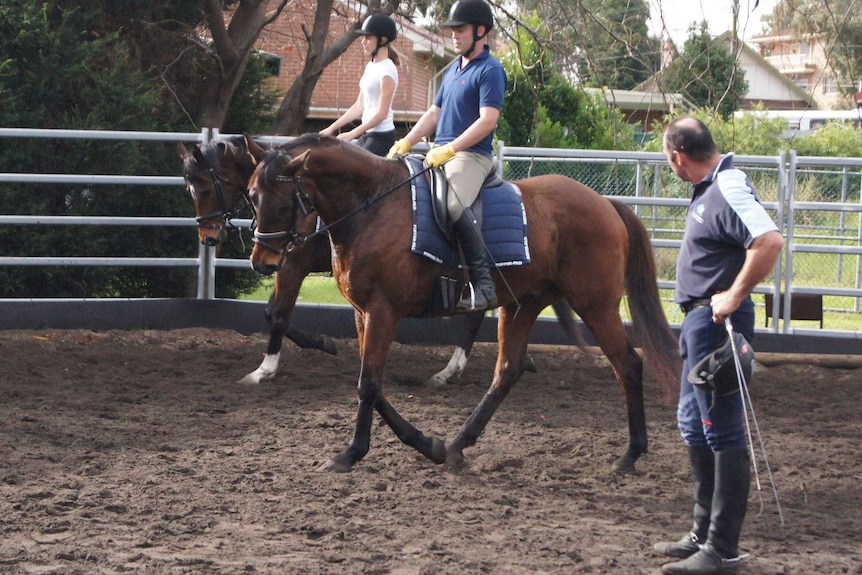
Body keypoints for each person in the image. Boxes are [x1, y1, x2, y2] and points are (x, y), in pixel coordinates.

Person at [655, 116, 785, 575]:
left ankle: (723, 548)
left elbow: (768, 241)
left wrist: (733, 295)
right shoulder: (711, 187)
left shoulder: (726, 187)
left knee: (721, 429)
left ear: (678, 156)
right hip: (699, 323)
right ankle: (702, 533)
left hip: (716, 323)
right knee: (694, 424)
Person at [387, 0, 506, 312]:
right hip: (439, 152)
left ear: (481, 31)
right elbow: (434, 112)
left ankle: (484, 286)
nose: (454, 35)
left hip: (471, 157)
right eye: (452, 30)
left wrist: (452, 148)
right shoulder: (454, 68)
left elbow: (487, 121)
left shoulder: (491, 70)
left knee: (454, 205)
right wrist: (407, 141)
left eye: (460, 30)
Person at [320, 13, 399, 157]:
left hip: (381, 137)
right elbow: (359, 106)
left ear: (383, 39)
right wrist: (330, 128)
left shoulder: (387, 70)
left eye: (368, 37)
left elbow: (382, 113)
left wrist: (352, 133)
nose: (363, 41)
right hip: (368, 134)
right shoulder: (371, 66)